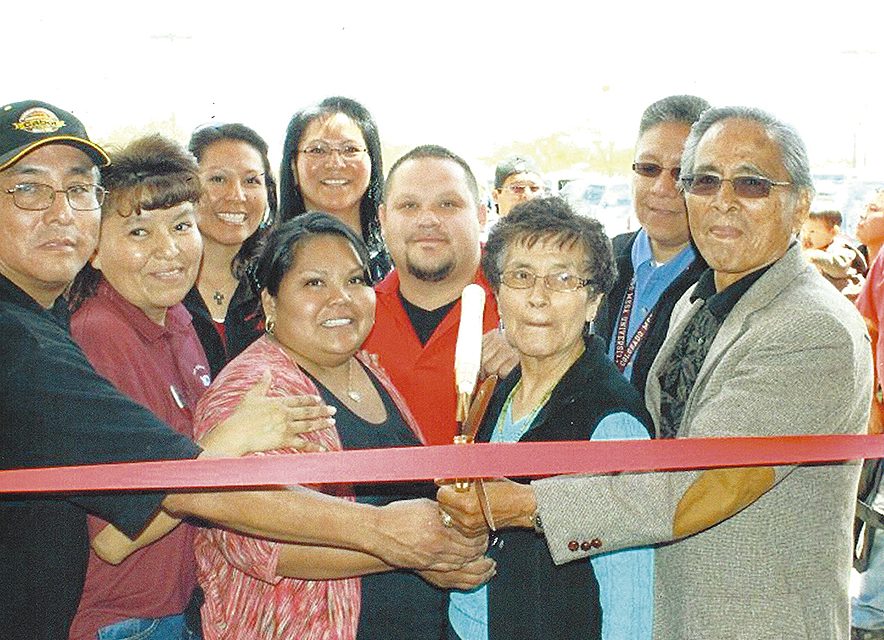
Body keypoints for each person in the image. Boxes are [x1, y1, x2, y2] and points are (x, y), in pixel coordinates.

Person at [0, 99, 486, 640]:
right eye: (27, 189)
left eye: (77, 190)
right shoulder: (55, 339)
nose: (61, 212)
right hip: (127, 622)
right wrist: (384, 537)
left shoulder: (172, 327)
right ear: (272, 306)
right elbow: (166, 503)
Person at [439, 106, 872, 639]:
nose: (724, 200)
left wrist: (529, 504)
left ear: (800, 203)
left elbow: (707, 482)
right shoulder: (703, 299)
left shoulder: (811, 329)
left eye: (752, 184)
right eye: (705, 181)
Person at [193, 213, 495, 640]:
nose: (342, 299)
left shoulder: (367, 368)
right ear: (269, 303)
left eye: (355, 280)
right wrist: (409, 552)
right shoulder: (254, 387)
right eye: (314, 283)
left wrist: (440, 547)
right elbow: (253, 543)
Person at [447, 197, 654, 640]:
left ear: (594, 301)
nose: (538, 297)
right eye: (521, 276)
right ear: (498, 294)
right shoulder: (497, 391)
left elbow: (630, 600)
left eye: (563, 279)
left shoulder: (611, 421)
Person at [362, 144, 518, 446]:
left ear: (481, 215)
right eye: (409, 205)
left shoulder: (526, 307)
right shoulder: (353, 318)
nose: (428, 219)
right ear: (383, 218)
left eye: (447, 204)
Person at [593, 95, 710, 396]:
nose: (662, 188)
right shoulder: (597, 260)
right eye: (648, 169)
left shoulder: (720, 283)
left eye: (682, 173)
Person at [184, 123, 275, 378]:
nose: (237, 195)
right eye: (218, 179)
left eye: (251, 180)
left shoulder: (278, 282)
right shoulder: (161, 285)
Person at [278, 96, 392, 283]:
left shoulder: (399, 262)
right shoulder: (268, 263)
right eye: (317, 150)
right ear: (293, 166)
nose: (335, 163)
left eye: (350, 149)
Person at [800, 209, 866, 298]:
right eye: (804, 230)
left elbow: (839, 268)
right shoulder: (807, 250)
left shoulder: (841, 249)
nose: (806, 236)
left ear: (833, 232)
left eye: (812, 231)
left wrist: (814, 256)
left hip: (843, 299)